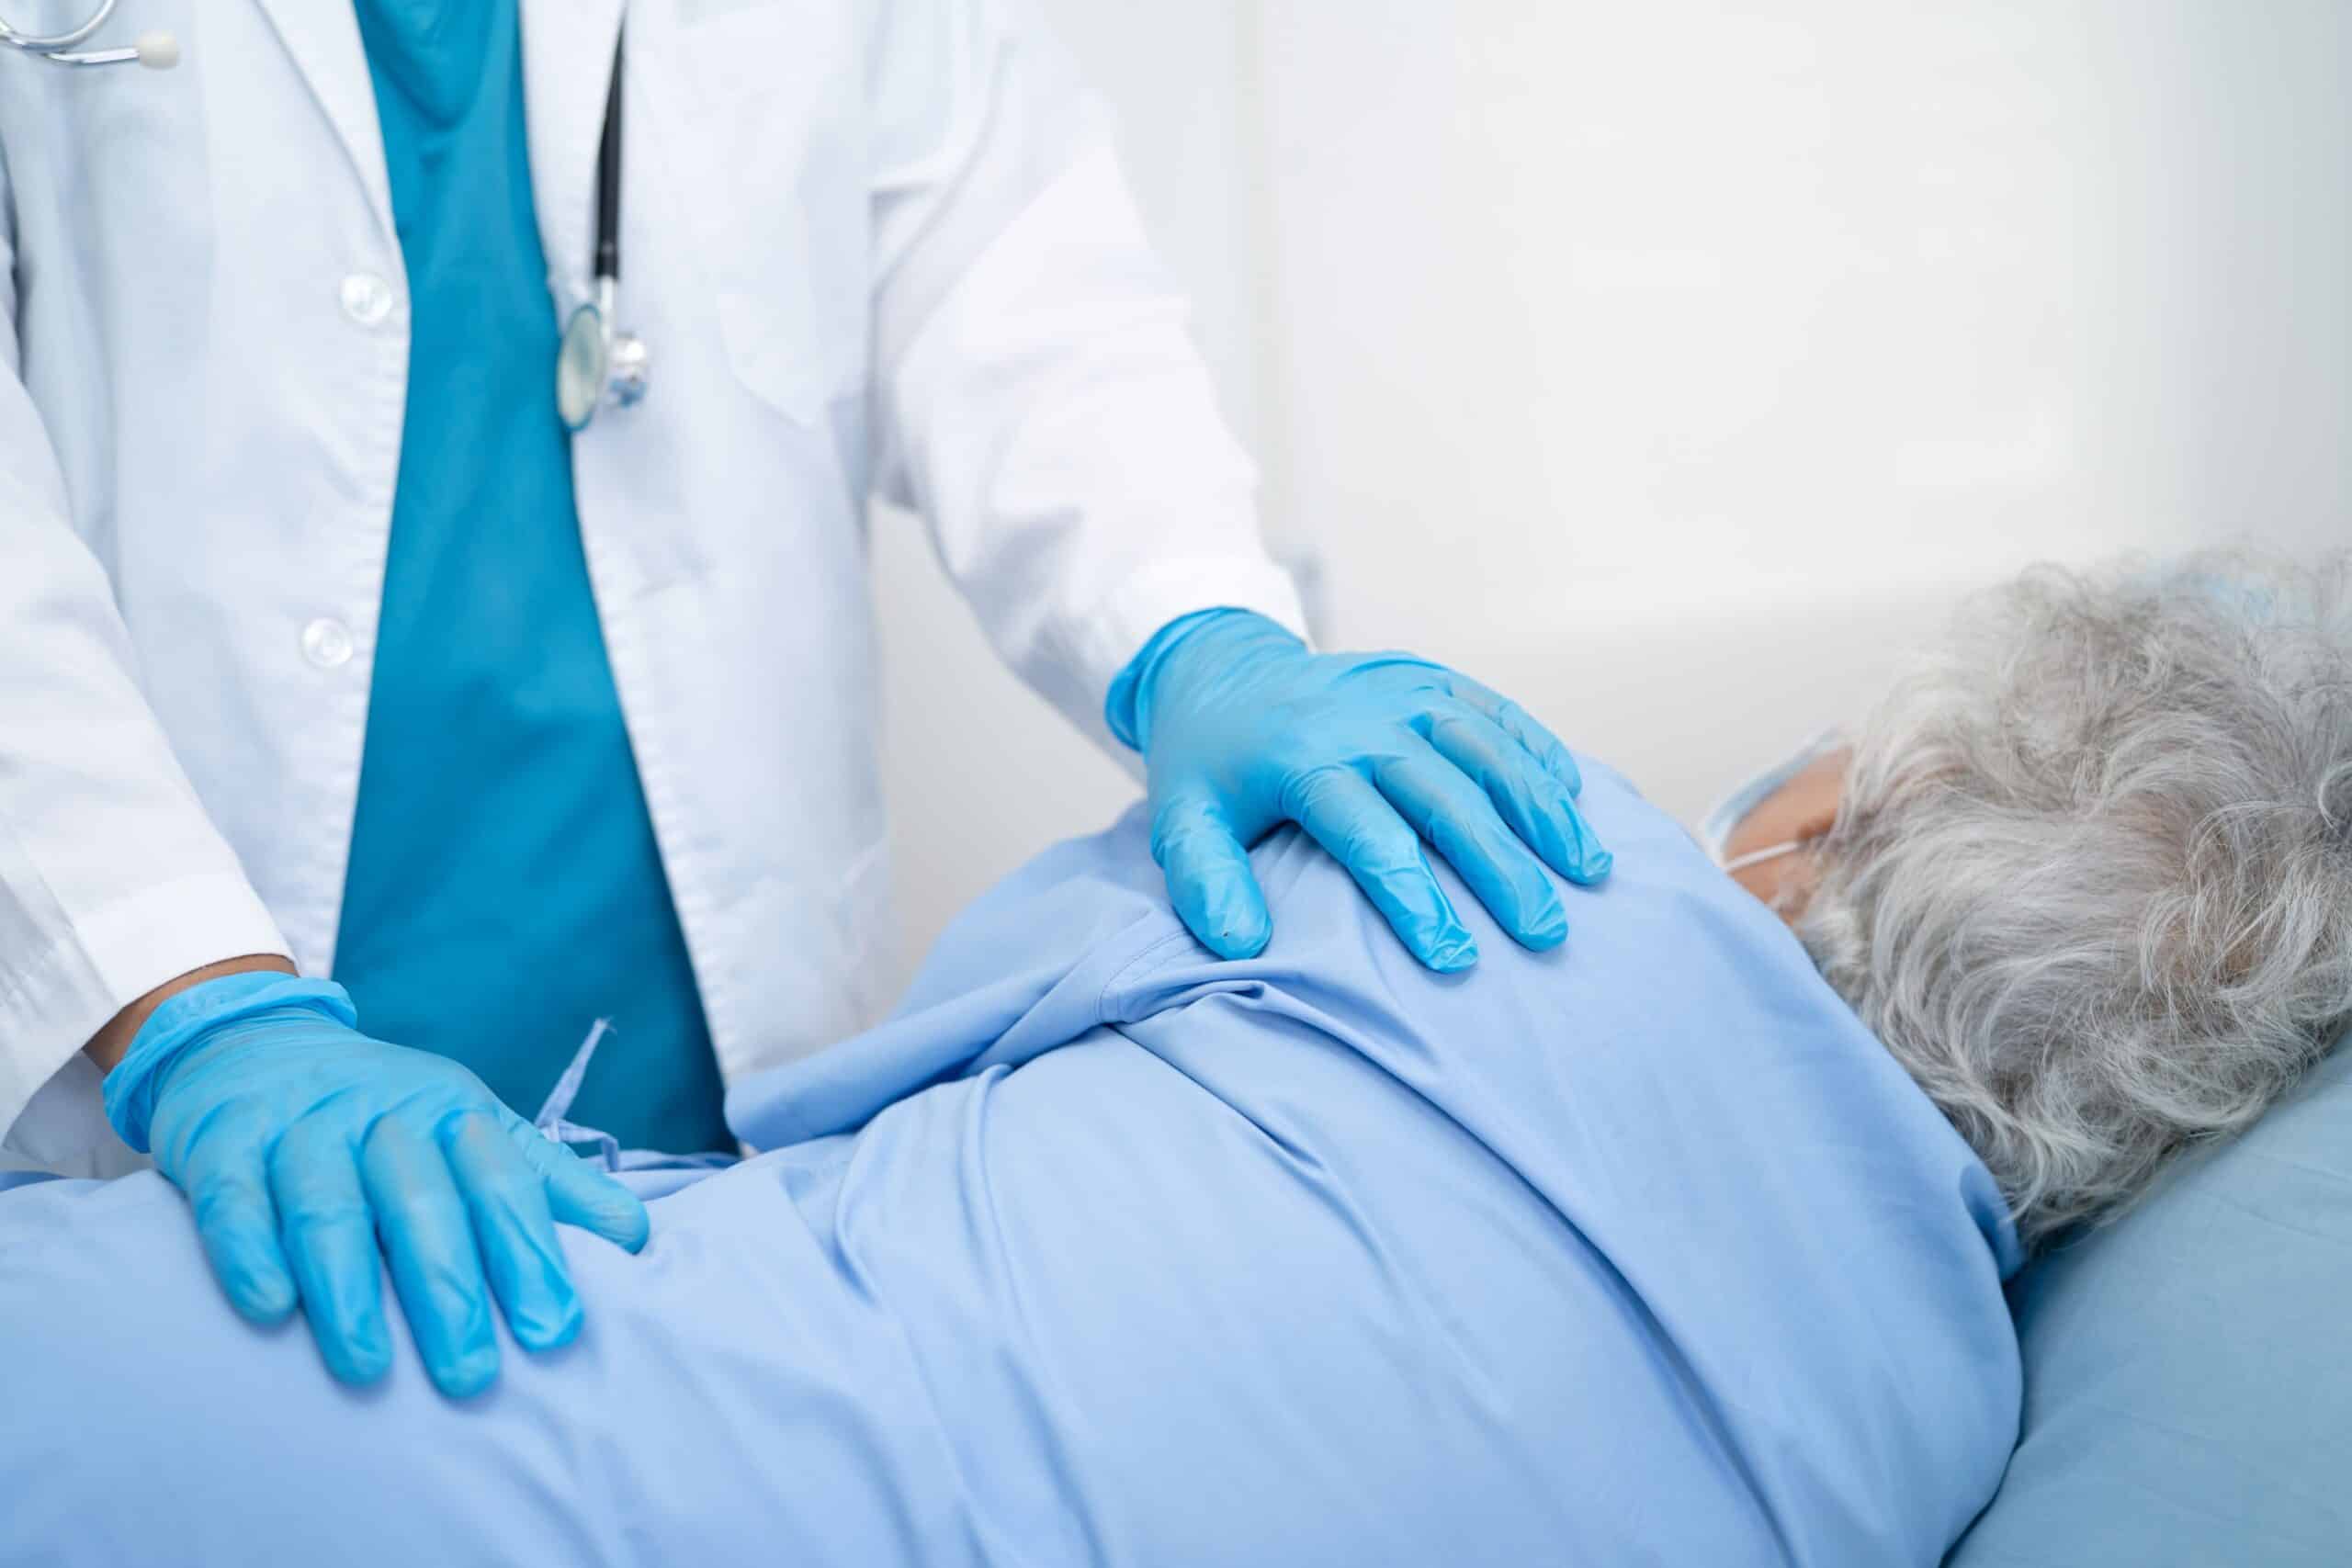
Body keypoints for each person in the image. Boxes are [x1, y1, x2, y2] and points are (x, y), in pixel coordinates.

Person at [4, 555, 2344, 1565]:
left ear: (1817, 823)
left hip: (325, 1391)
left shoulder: (1524, 852)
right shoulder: (1922, 1443)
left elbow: (891, 1066)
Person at [0, 0, 1610, 1395]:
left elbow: (1007, 273)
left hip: (722, 1105)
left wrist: (1200, 629)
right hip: (191, 1093)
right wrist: (190, 997)